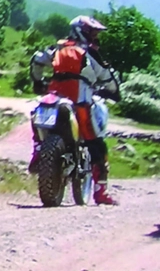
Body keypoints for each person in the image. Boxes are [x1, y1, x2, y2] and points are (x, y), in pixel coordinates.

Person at [32, 15, 117, 205]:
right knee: (97, 144)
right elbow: (106, 75)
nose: (95, 37)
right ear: (83, 32)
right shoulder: (88, 53)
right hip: (80, 103)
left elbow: (36, 60)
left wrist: (38, 81)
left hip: (54, 100)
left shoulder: (57, 48)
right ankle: (101, 191)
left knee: (36, 115)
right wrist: (113, 90)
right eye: (92, 33)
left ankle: (37, 151)